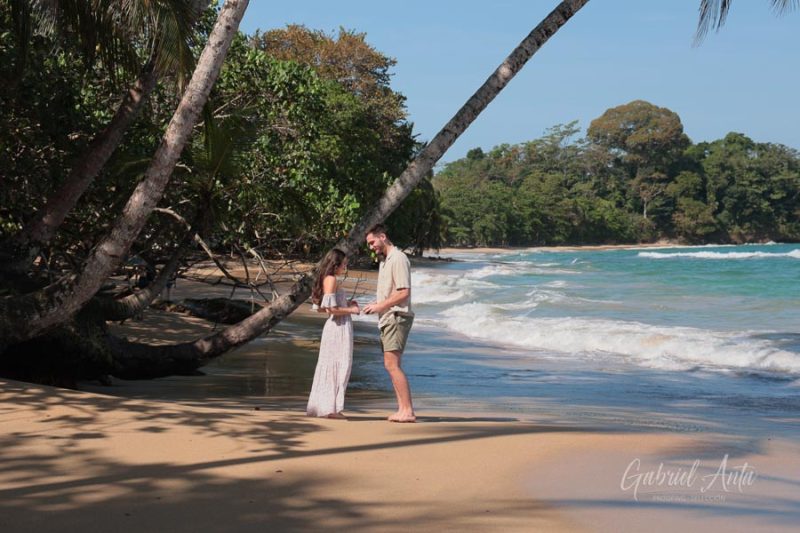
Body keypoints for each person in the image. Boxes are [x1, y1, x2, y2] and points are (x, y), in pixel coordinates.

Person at [363, 224, 416, 422]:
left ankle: (408, 411)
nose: (371, 247)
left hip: (397, 316)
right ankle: (402, 409)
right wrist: (377, 305)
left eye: (372, 242)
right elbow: (391, 291)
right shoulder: (385, 261)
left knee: (392, 365)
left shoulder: (399, 258)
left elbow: (403, 292)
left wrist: (380, 306)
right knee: (391, 365)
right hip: (388, 316)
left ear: (383, 237)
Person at [306, 249, 360, 419]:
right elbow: (330, 309)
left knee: (335, 364)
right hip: (338, 327)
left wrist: (346, 302)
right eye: (344, 264)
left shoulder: (328, 279)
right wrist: (351, 309)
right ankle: (331, 409)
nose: (345, 266)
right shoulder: (331, 279)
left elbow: (323, 307)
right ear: (335, 264)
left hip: (338, 326)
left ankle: (328, 407)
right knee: (339, 365)